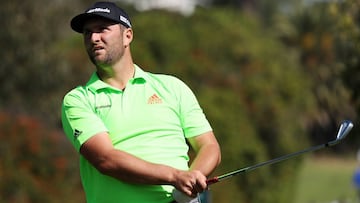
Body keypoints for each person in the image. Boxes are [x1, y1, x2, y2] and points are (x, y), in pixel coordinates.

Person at [61, 2, 221, 203]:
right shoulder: (78, 100)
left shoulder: (172, 87)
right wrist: (175, 176)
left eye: (102, 29)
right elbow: (105, 159)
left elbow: (209, 146)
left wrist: (192, 177)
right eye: (87, 33)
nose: (94, 38)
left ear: (127, 36)